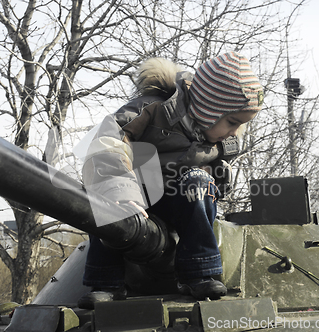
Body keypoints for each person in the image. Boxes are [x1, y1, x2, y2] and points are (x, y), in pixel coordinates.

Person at [77, 52, 264, 309]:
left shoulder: (217, 140)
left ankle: (199, 272)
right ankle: (105, 281)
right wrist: (121, 191)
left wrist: (218, 177)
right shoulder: (154, 109)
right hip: (135, 190)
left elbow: (216, 174)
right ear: (209, 108)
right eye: (232, 122)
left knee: (198, 183)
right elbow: (109, 141)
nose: (234, 132)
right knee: (105, 205)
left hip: (179, 198)